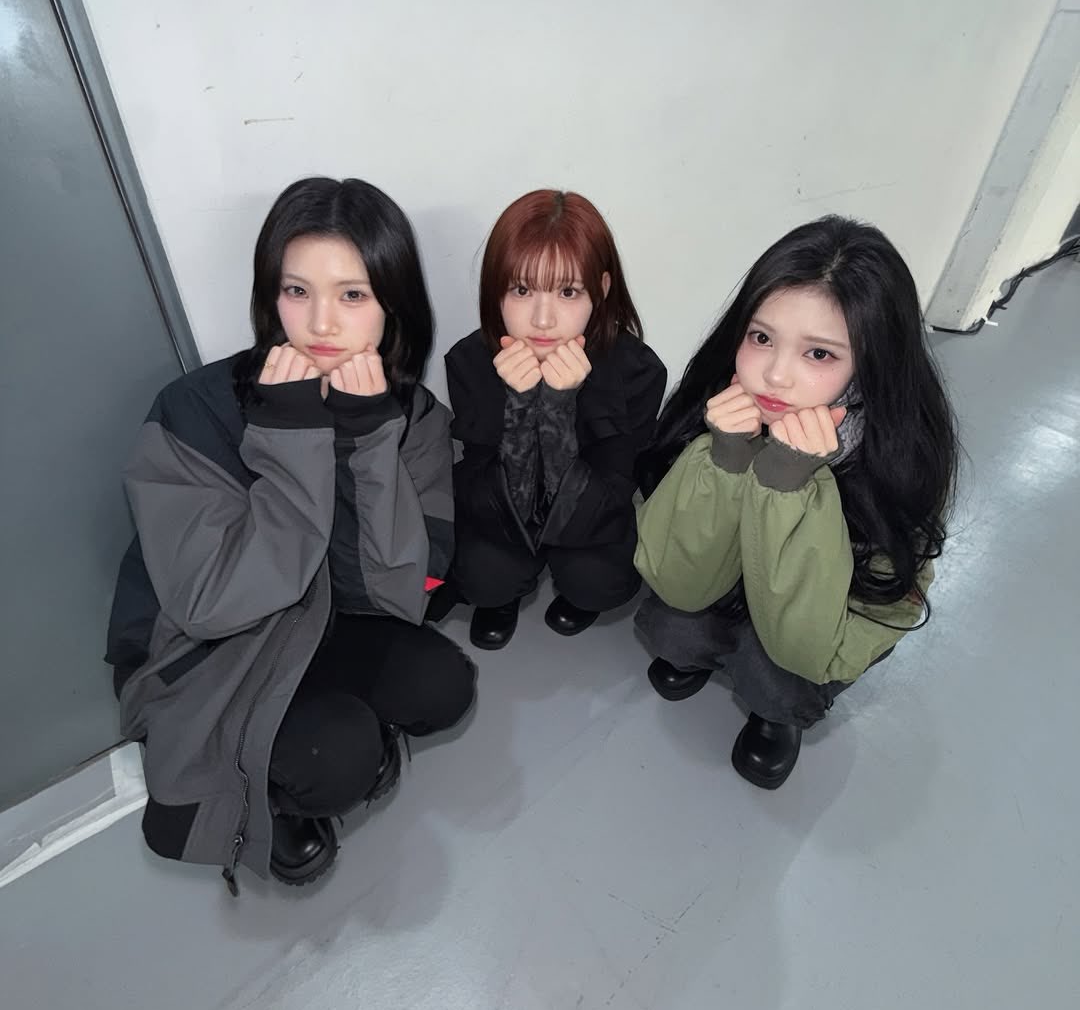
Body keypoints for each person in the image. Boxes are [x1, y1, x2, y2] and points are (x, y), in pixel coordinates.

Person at [107, 178, 476, 891]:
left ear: (393, 306)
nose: (321, 323)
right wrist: (293, 436)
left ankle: (312, 736)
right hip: (212, 648)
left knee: (442, 684)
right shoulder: (191, 411)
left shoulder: (414, 416)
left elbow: (406, 590)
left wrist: (369, 443)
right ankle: (267, 795)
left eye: (353, 294)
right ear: (269, 297)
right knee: (335, 756)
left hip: (334, 612)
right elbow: (212, 604)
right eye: (296, 291)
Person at [634, 214, 958, 789]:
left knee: (781, 676)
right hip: (721, 587)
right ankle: (704, 657)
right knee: (671, 624)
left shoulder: (900, 462)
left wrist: (787, 488)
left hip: (812, 623)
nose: (775, 376)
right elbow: (677, 581)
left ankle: (774, 716)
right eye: (761, 338)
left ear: (871, 366)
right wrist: (726, 461)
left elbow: (822, 642)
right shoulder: (714, 413)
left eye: (820, 355)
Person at [442, 190, 666, 650]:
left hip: (591, 515)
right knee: (481, 574)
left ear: (601, 289)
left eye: (567, 292)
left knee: (600, 578)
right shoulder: (469, 361)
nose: (543, 320)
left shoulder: (637, 371)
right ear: (497, 290)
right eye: (522, 290)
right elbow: (480, 495)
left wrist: (559, 409)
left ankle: (577, 595)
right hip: (503, 512)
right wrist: (521, 405)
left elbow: (612, 497)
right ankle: (503, 597)